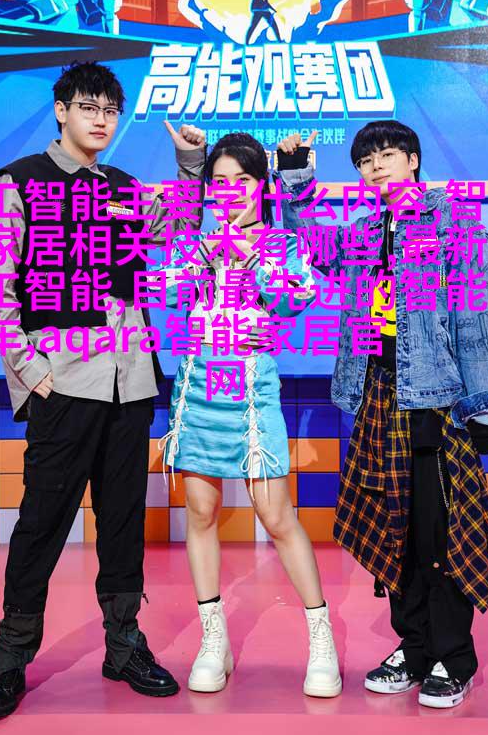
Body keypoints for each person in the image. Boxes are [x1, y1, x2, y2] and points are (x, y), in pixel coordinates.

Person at [0, 60, 206, 720]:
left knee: (124, 519)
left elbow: (179, 227)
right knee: (42, 522)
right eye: (88, 107)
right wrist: (30, 369)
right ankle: (10, 658)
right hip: (64, 381)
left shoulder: (125, 187)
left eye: (110, 110)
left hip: (131, 381)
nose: (101, 120)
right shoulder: (21, 181)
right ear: (61, 110)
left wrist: (190, 163)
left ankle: (123, 644)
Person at [275, 121, 488, 709]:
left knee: (440, 533)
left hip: (436, 399)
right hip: (377, 394)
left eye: (386, 155)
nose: (376, 166)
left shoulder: (455, 226)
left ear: (412, 160)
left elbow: (479, 321)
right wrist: (297, 174)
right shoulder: (362, 233)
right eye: (365, 160)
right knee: (394, 530)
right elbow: (308, 242)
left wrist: (485, 407)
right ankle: (414, 645)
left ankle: (452, 657)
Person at [157, 132, 342, 698]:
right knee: (201, 511)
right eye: (220, 182)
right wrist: (208, 254)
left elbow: (296, 298)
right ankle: (214, 641)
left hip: (251, 388)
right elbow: (168, 292)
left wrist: (250, 259)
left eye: (243, 180)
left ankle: (322, 643)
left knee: (276, 515)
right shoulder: (196, 240)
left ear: (261, 185)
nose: (231, 191)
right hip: (197, 386)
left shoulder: (281, 241)